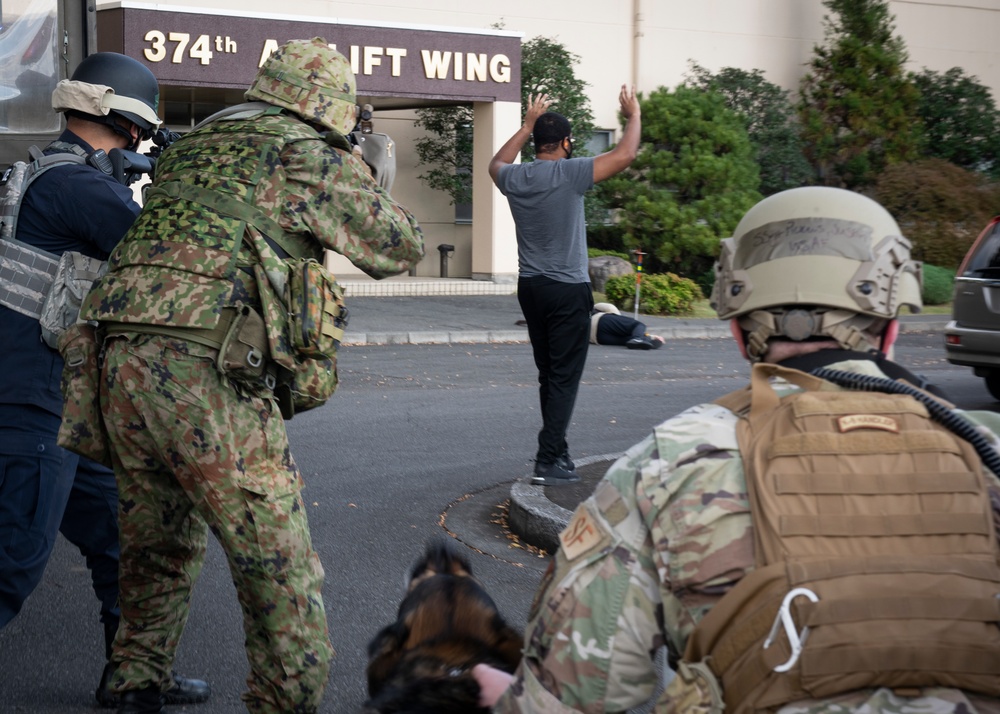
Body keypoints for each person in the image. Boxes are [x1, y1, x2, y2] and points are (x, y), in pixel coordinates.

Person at [474, 186, 1000, 713]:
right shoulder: (984, 451)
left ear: (736, 328)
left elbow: (569, 696)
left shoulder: (671, 463)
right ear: (891, 329)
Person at [78, 38, 423, 714]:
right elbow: (397, 246)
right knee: (276, 560)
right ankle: (284, 701)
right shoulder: (305, 153)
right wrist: (358, 164)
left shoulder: (199, 143)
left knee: (156, 539)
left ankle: (135, 681)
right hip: (204, 371)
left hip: (117, 361)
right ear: (328, 105)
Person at [0, 52, 210, 708]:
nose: (144, 137)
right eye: (142, 128)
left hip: (63, 400)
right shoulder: (80, 187)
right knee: (12, 560)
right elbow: (165, 257)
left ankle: (136, 679)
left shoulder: (48, 171)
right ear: (122, 116)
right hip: (31, 401)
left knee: (125, 537)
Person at [489, 86, 642, 487]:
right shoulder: (570, 173)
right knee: (563, 377)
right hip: (566, 289)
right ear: (567, 143)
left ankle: (557, 450)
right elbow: (625, 155)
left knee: (549, 374)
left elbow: (494, 162)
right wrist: (633, 115)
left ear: (538, 143)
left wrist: (524, 126)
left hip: (531, 288)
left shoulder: (515, 176)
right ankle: (548, 458)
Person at [590, 302, 664, 349]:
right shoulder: (593, 307)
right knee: (637, 324)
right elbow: (610, 307)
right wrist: (617, 316)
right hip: (600, 320)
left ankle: (646, 339)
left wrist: (651, 336)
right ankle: (641, 339)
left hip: (594, 337)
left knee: (628, 340)